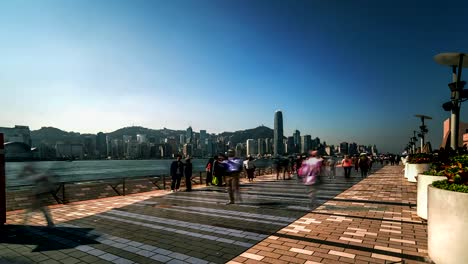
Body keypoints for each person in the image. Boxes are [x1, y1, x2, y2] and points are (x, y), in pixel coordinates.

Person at [19, 163, 55, 228]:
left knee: (31, 210)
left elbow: (23, 177)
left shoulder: (41, 176)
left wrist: (24, 170)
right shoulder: (40, 175)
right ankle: (50, 223)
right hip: (40, 195)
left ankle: (24, 224)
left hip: (39, 195)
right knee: (43, 209)